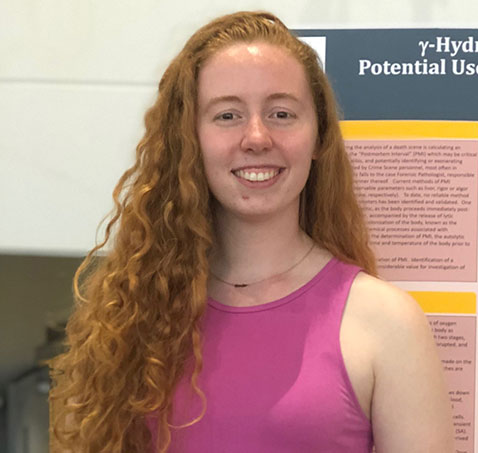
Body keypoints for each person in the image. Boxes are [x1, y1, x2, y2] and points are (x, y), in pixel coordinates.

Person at [50, 11, 453, 452]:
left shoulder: (386, 323)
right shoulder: (129, 314)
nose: (257, 137)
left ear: (319, 137)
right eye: (228, 115)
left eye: (282, 113)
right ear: (189, 139)